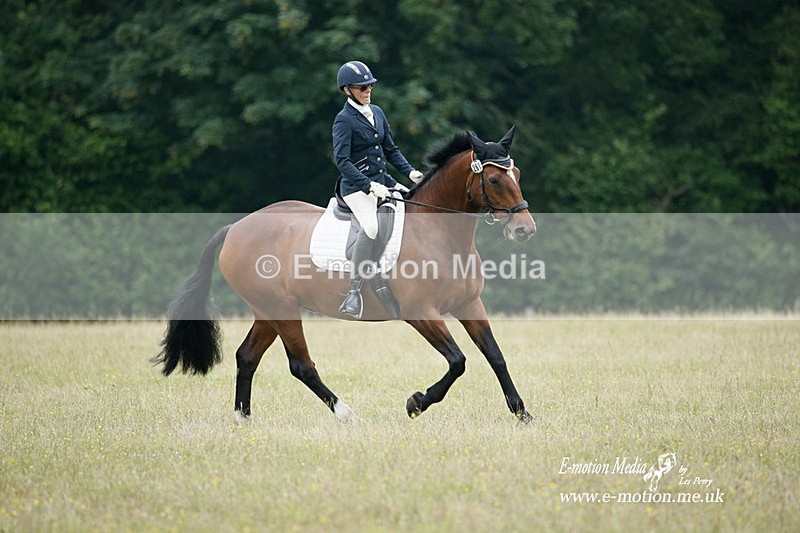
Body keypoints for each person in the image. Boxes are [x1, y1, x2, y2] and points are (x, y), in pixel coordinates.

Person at [332, 60, 423, 319]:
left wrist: (410, 172)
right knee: (371, 227)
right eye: (362, 87)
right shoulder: (343, 120)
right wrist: (368, 186)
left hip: (382, 180)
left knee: (414, 205)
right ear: (347, 90)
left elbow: (391, 149)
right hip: (356, 187)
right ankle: (354, 291)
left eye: (370, 85)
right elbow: (343, 161)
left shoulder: (378, 112)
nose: (367, 89)